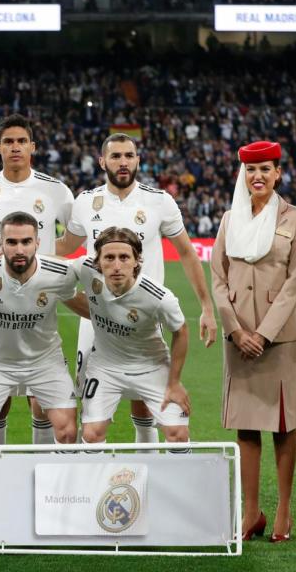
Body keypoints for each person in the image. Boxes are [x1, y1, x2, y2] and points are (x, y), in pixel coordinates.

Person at [56, 133, 216, 448]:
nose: (123, 162)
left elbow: (186, 252)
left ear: (138, 160)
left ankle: (149, 466)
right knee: (91, 413)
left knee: (144, 399)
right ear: (103, 161)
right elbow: (66, 247)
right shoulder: (85, 202)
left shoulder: (159, 201)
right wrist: (25, 253)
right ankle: (88, 482)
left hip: (144, 314)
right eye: (115, 156)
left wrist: (207, 307)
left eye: (129, 155)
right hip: (96, 323)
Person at [210, 141, 296, 543]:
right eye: (252, 170)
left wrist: (263, 333)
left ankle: (284, 509)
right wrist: (234, 330)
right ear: (243, 174)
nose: (258, 177)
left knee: (282, 424)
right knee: (246, 426)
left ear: (278, 173)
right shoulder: (229, 218)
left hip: (278, 338)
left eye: (266, 169)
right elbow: (218, 278)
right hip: (238, 337)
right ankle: (252, 513)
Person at [0, 113, 74, 445]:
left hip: (41, 306)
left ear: (32, 147)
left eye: (21, 141)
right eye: (8, 142)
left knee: (41, 401)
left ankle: (41, 474)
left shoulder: (56, 189)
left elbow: (77, 235)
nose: (15, 147)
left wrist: (50, 262)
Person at [0, 212, 79, 446]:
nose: (19, 249)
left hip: (46, 360)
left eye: (26, 242)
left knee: (67, 432)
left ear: (37, 243)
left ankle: (50, 479)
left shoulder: (60, 274)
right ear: (0, 243)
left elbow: (83, 299)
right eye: (11, 242)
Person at [75, 227, 191, 450]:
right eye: (109, 258)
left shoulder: (159, 297)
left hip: (152, 366)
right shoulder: (85, 269)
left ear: (137, 261)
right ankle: (95, 484)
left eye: (124, 257)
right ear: (97, 261)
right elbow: (51, 267)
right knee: (91, 434)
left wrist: (174, 382)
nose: (117, 266)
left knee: (178, 434)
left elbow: (181, 330)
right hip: (105, 367)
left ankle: (168, 482)